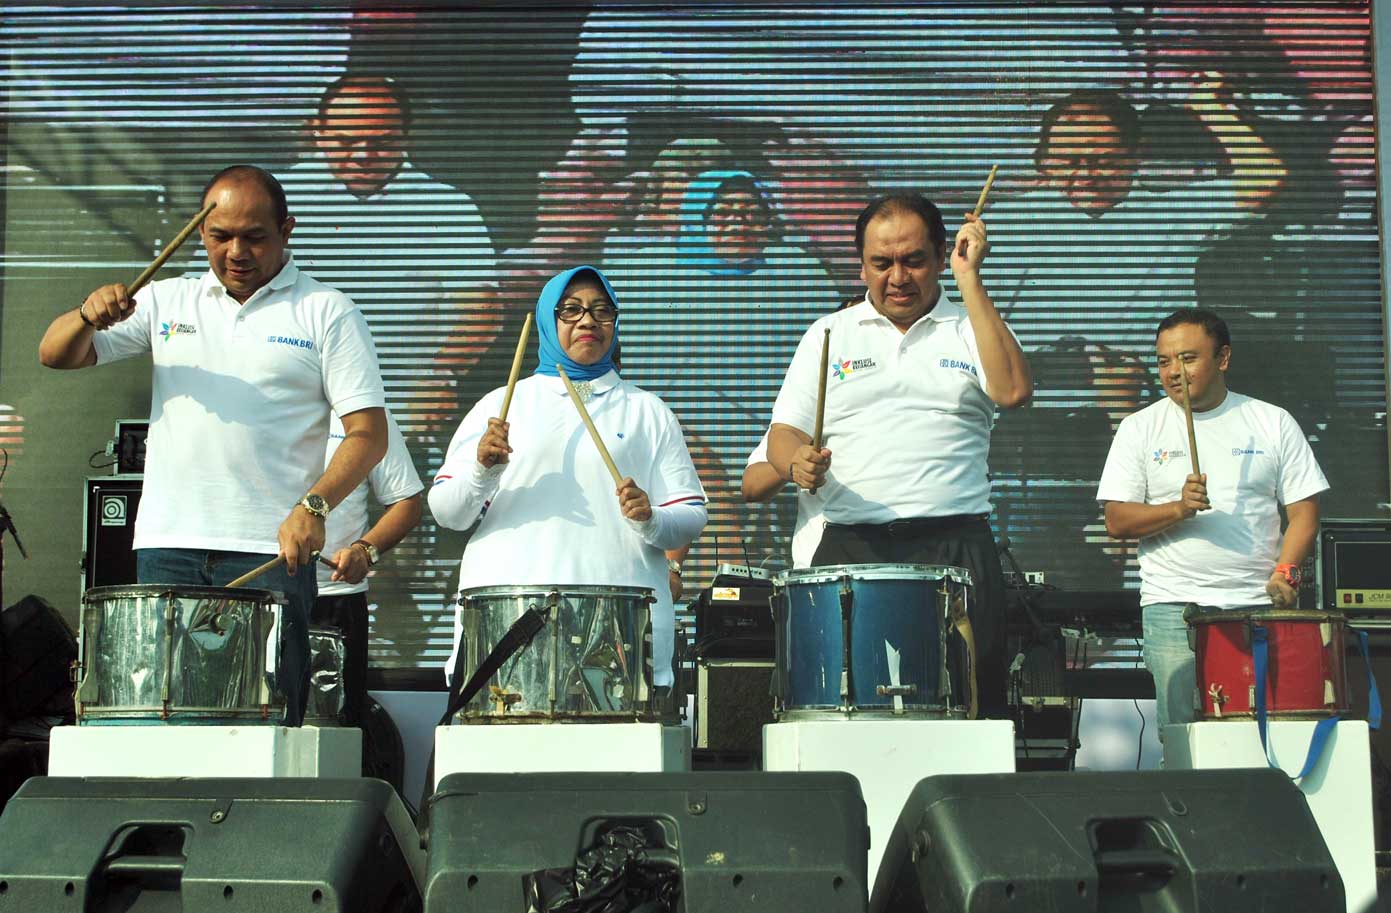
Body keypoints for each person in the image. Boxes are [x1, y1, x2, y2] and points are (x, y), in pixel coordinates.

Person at [38, 165, 389, 725]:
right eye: (220, 235)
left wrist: (314, 507)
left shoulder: (327, 311)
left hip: (271, 552)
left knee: (268, 719)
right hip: (169, 543)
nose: (236, 251)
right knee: (162, 717)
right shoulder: (164, 301)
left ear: (287, 230)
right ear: (198, 231)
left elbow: (369, 433)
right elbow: (57, 354)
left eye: (254, 236)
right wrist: (87, 313)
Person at [767, 192, 1032, 719]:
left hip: (955, 546)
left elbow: (1013, 391)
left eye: (914, 260)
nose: (898, 277)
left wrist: (970, 280)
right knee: (845, 713)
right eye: (881, 263)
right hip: (851, 546)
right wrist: (795, 461)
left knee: (970, 714)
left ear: (940, 254)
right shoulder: (828, 333)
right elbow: (782, 433)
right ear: (860, 264)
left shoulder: (971, 325)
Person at [430, 266, 706, 689]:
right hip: (511, 623)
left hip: (619, 635)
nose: (588, 321)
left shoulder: (648, 411)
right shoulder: (504, 404)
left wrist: (651, 518)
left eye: (601, 311)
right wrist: (481, 472)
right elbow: (447, 512)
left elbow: (690, 514)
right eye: (571, 310)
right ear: (547, 319)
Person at [1097, 308, 1328, 735]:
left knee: (1254, 730)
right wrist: (1177, 509)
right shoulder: (1139, 428)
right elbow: (1116, 519)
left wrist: (1286, 571)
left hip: (1254, 603)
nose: (1173, 372)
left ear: (1222, 359)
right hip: (1173, 605)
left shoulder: (1270, 422)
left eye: (1187, 358)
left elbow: (1303, 513)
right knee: (1182, 735)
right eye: (1164, 361)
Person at [313, 409, 423, 725]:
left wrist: (365, 551)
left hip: (334, 599)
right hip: (255, 594)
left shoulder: (369, 416)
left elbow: (407, 503)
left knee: (333, 732)